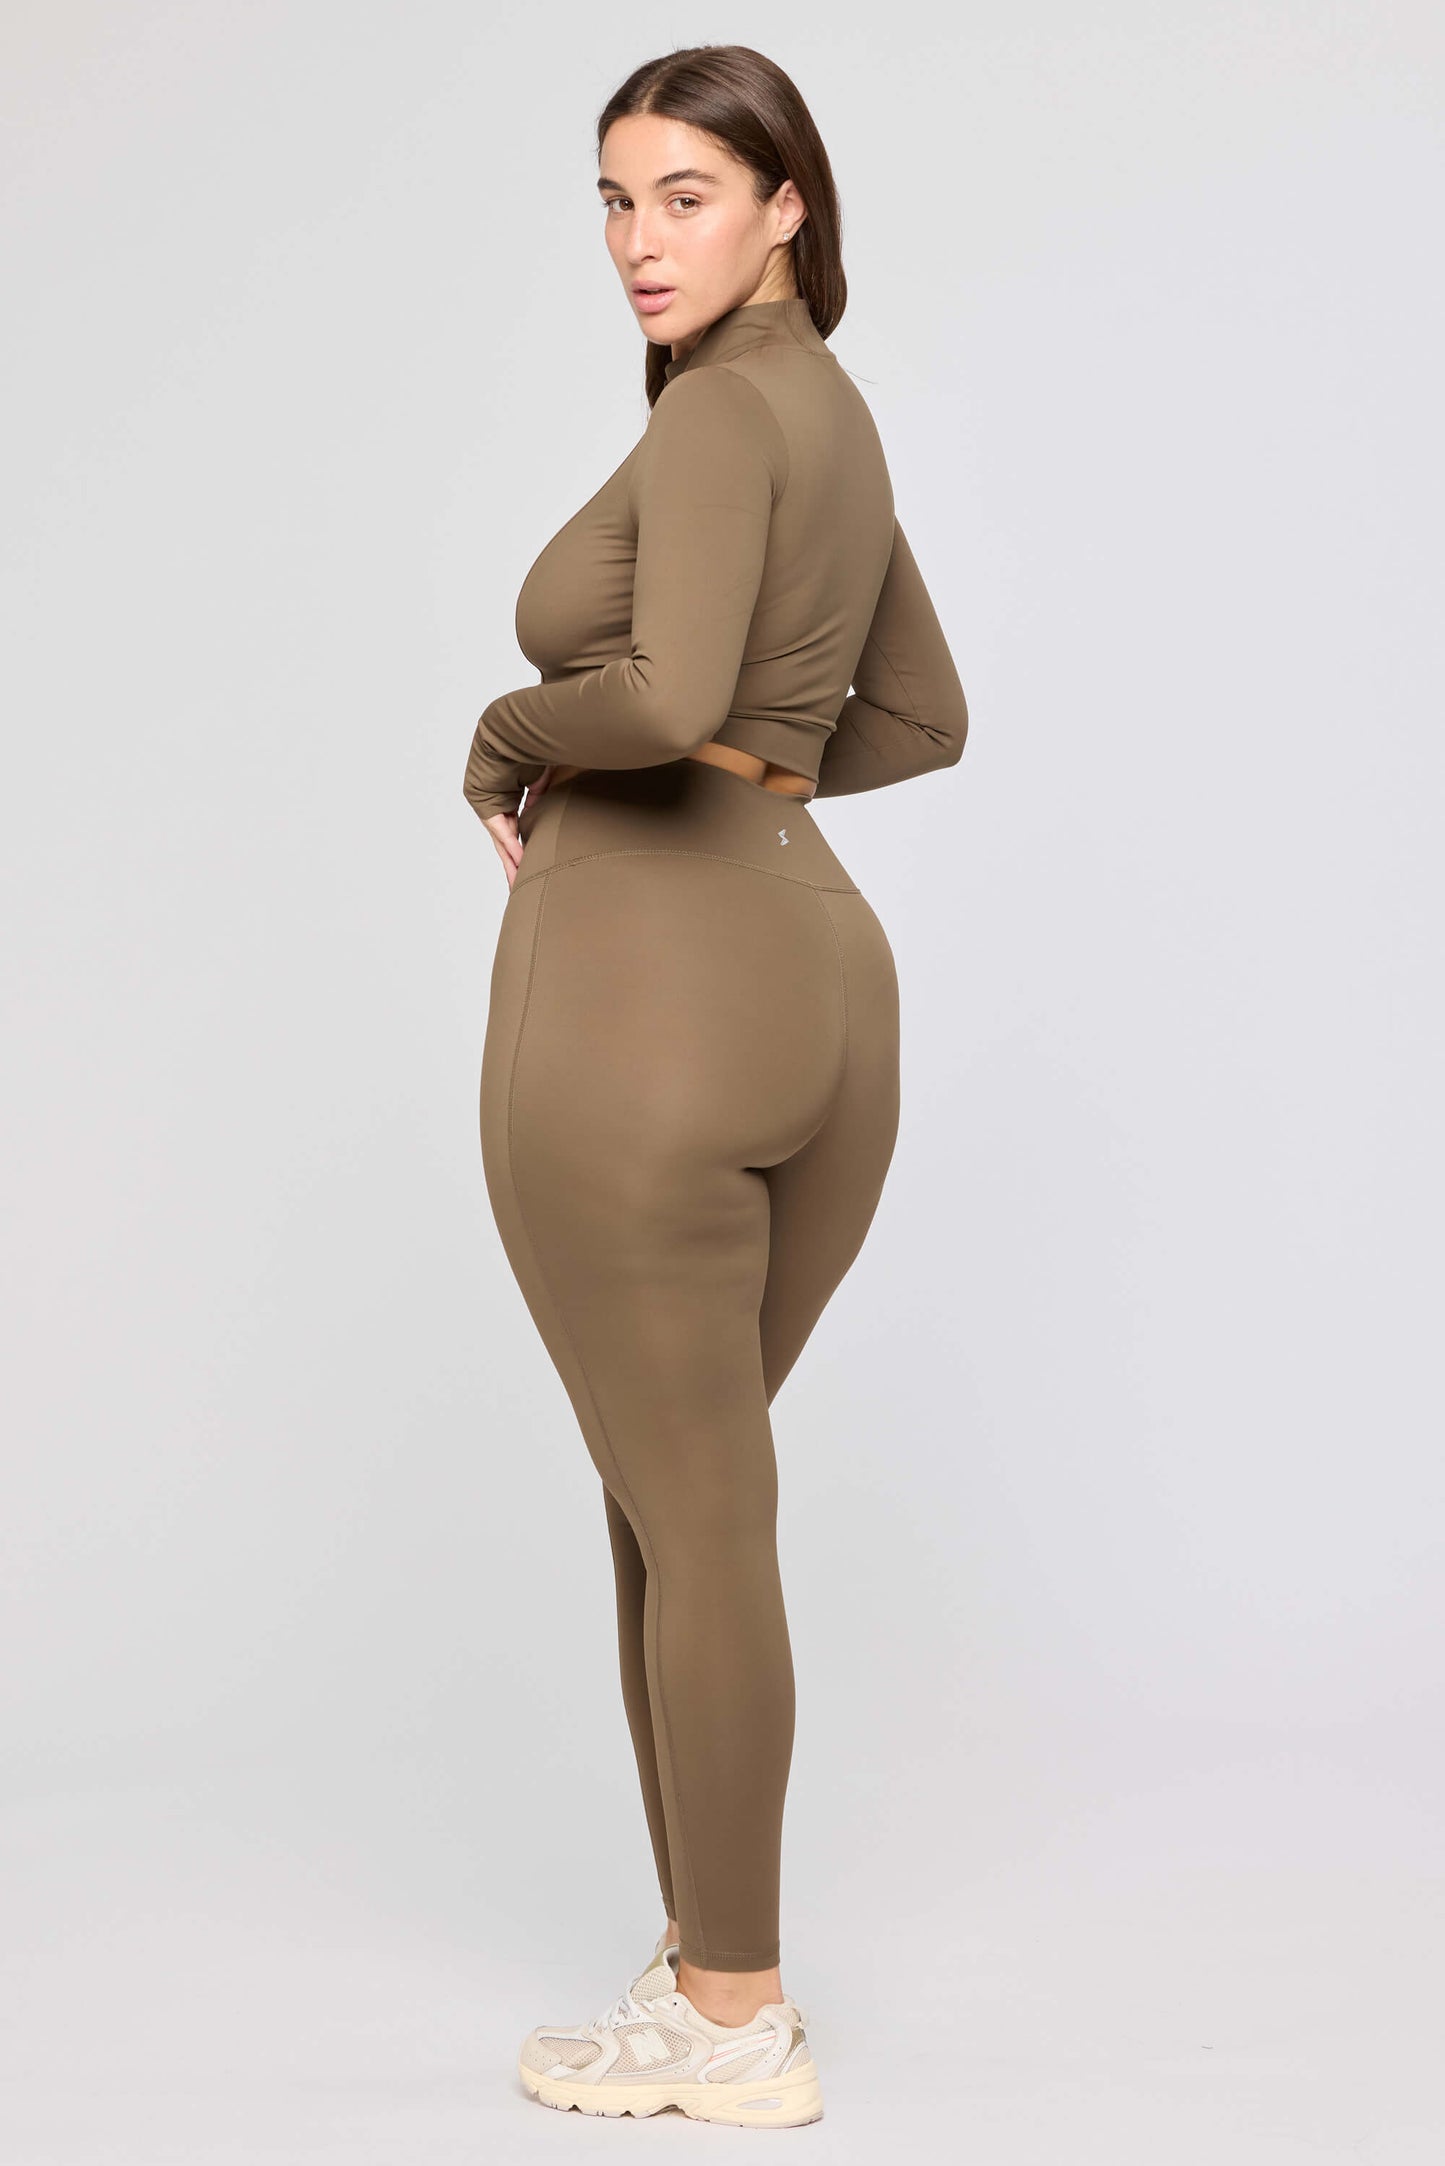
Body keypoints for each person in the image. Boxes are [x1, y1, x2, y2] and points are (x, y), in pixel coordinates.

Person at [462, 43, 968, 2129]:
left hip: (649, 1005)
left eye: (684, 194)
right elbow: (918, 718)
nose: (637, 240)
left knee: (688, 1510)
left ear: (785, 206)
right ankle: (704, 1963)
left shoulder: (715, 420)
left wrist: (507, 733)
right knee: (688, 1500)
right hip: (824, 987)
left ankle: (735, 2012)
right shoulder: (824, 416)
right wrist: (764, 766)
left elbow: (659, 695)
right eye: (614, 198)